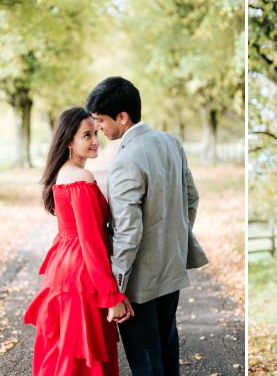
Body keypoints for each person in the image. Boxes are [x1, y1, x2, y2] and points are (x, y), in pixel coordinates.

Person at [85, 76, 208, 376]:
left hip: (139, 281)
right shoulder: (171, 142)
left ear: (122, 117)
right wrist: (175, 238)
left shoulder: (126, 160)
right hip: (172, 267)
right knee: (168, 349)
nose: (98, 128)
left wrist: (117, 286)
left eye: (101, 120)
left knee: (146, 361)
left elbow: (128, 231)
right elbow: (191, 197)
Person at [24, 107, 129, 375]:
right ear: (69, 141)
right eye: (86, 135)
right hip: (81, 276)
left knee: (65, 351)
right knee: (79, 357)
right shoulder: (81, 178)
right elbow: (91, 244)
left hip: (64, 267)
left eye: (95, 132)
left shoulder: (64, 171)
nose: (95, 140)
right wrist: (111, 296)